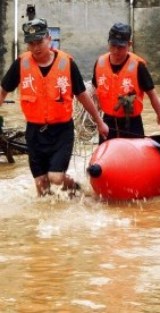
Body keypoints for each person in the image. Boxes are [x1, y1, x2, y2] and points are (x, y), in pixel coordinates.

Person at [0, 18, 108, 196]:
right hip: (34, 133)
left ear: (49, 39)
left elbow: (82, 95)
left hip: (61, 132)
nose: (36, 47)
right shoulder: (21, 64)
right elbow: (3, 91)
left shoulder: (67, 64)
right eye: (31, 43)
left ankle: (75, 188)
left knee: (56, 177)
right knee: (42, 186)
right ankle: (49, 220)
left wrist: (99, 121)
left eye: (40, 41)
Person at [93, 22, 160, 143]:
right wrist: (98, 121)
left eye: (121, 47)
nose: (116, 51)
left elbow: (153, 96)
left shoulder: (138, 66)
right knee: (106, 159)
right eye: (113, 45)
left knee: (136, 158)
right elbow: (94, 92)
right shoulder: (100, 63)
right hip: (108, 122)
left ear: (129, 44)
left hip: (132, 123)